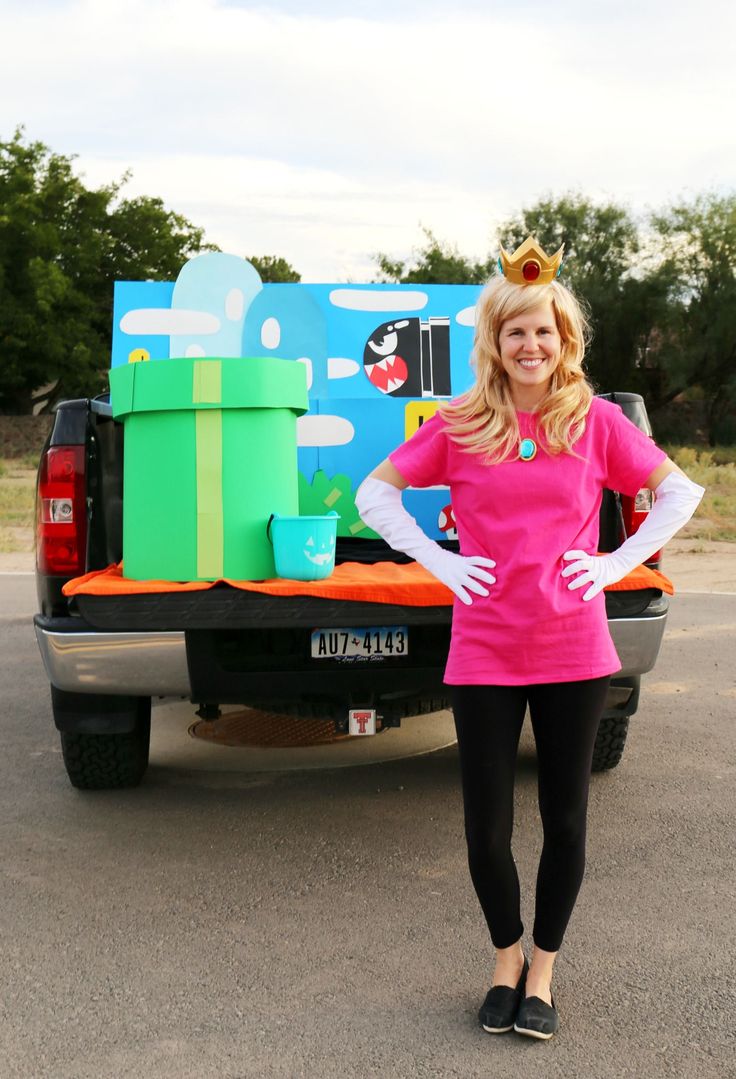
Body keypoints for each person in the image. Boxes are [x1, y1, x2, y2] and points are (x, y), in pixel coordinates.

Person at [355, 238, 704, 1041]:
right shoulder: (463, 423)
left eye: (543, 331)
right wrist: (442, 562)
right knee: (485, 827)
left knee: (566, 816)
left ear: (564, 338)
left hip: (572, 648)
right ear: (495, 342)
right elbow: (378, 493)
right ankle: (503, 956)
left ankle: (542, 971)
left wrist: (615, 562)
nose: (531, 345)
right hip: (483, 646)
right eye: (515, 332)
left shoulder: (596, 422)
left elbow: (676, 489)